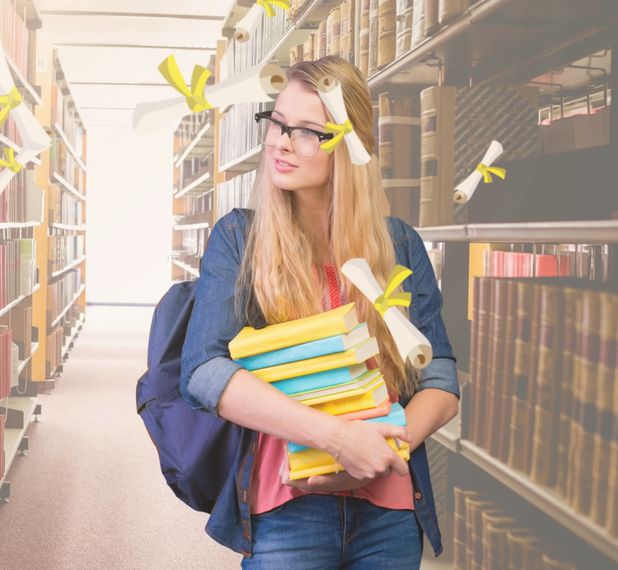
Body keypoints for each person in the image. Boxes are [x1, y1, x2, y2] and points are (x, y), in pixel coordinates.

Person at [179, 56, 460, 569]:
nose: (281, 143)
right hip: (289, 508)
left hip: (389, 506)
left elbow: (440, 377)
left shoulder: (399, 244)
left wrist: (381, 452)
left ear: (350, 146)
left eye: (308, 132)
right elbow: (204, 371)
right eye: (278, 123)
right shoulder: (240, 238)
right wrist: (337, 440)